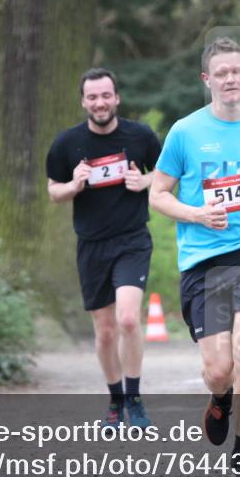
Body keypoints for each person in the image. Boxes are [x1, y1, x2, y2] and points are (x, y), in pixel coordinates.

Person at [150, 37, 240, 477]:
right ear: (207, 80)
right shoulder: (185, 132)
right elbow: (158, 194)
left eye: (237, 71)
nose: (231, 79)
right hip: (203, 263)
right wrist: (196, 214)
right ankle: (220, 399)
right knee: (218, 369)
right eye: (221, 73)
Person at [46, 68, 161, 430]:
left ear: (117, 98)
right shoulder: (67, 144)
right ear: (83, 101)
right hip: (92, 245)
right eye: (92, 97)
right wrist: (74, 185)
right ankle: (115, 402)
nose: (100, 103)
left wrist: (143, 180)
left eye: (106, 95)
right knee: (106, 330)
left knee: (128, 319)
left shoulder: (140, 136)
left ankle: (135, 399)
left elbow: (167, 175)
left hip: (132, 239)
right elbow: (53, 191)